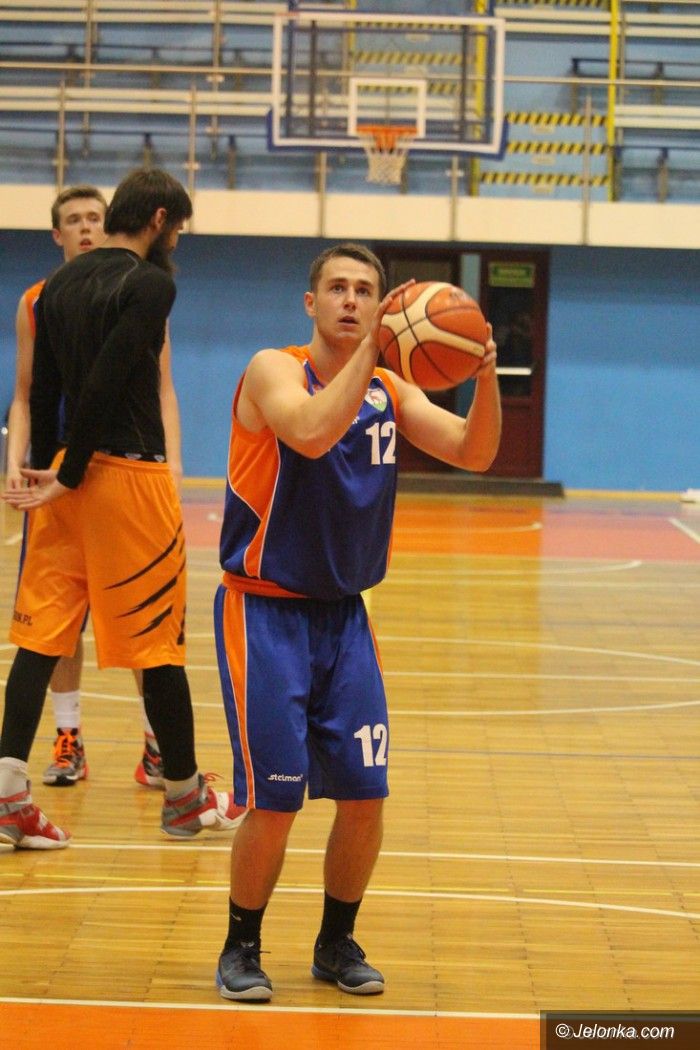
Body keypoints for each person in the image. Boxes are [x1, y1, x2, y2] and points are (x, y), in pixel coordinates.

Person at [212, 242, 501, 1001]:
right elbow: (309, 431)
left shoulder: (388, 389)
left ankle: (336, 942)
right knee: (275, 800)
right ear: (311, 303)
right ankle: (241, 947)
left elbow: (473, 451)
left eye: (365, 290)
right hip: (265, 612)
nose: (350, 300)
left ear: (381, 303)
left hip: (345, 619)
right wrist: (375, 351)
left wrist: (484, 377)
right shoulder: (273, 369)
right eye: (337, 288)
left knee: (366, 795)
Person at [0, 167, 242, 850]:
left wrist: (50, 472)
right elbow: (107, 378)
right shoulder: (152, 284)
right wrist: (73, 471)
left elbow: (44, 390)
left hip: (62, 486)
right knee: (158, 646)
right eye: (179, 228)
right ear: (159, 219)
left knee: (40, 642)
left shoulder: (54, 288)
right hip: (126, 482)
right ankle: (185, 797)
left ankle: (8, 796)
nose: (179, 242)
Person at [6, 183, 182, 791]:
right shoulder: (50, 297)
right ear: (58, 234)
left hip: (93, 472)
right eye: (74, 220)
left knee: (102, 624)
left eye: (94, 217)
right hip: (83, 472)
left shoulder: (121, 288)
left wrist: (172, 464)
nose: (86, 227)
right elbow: (34, 392)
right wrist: (34, 462)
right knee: (82, 629)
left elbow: (158, 386)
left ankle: (153, 745)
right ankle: (79, 741)